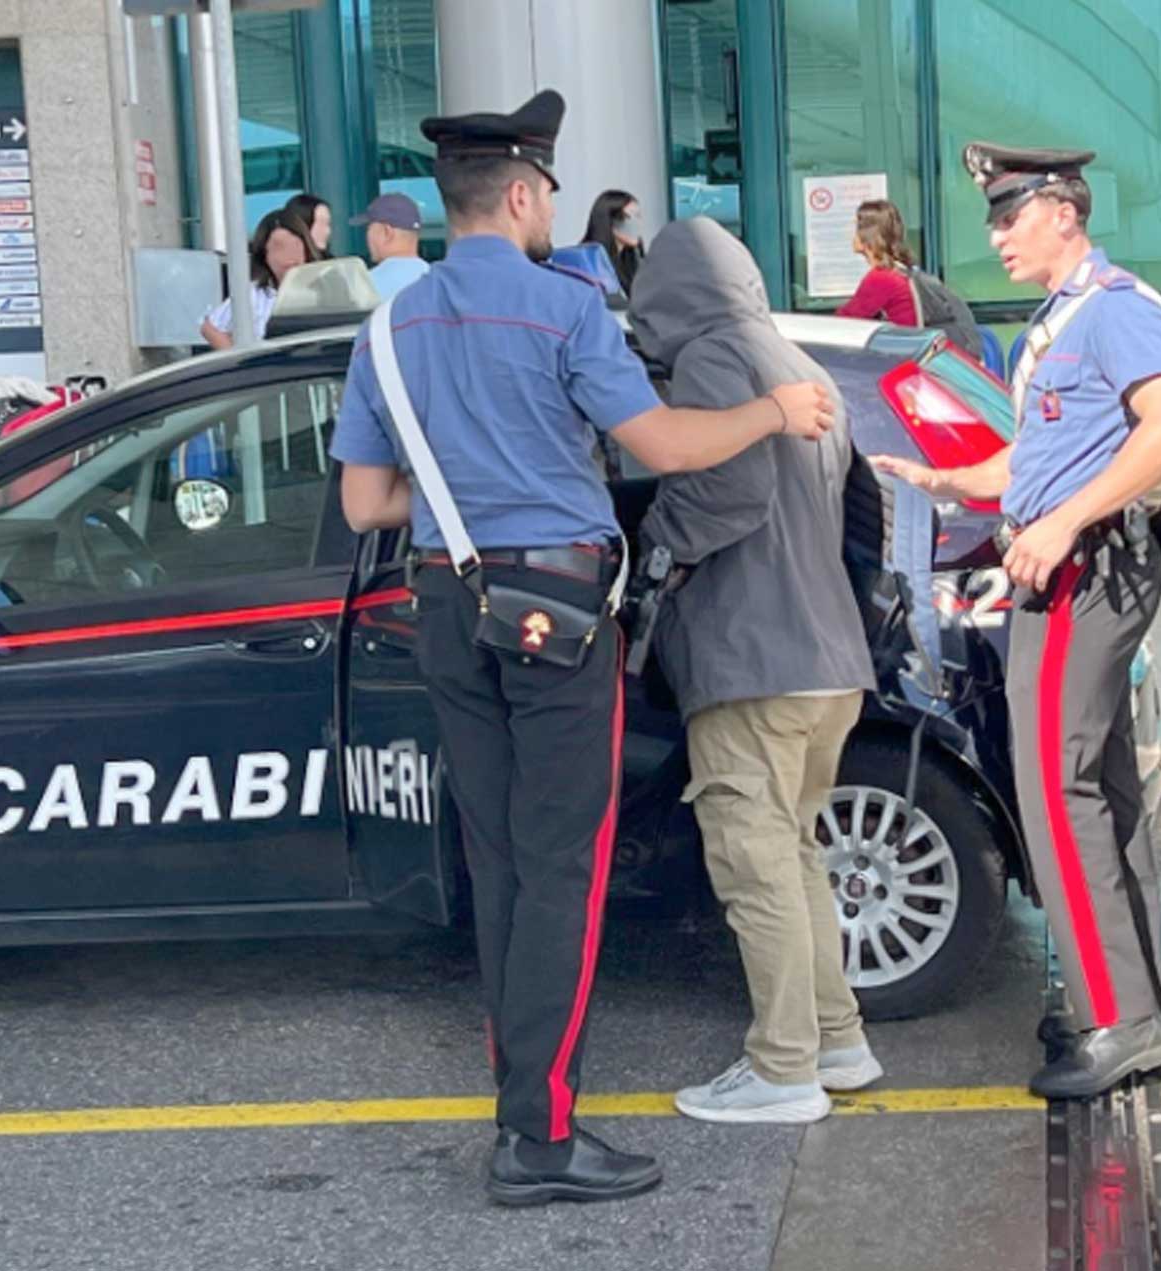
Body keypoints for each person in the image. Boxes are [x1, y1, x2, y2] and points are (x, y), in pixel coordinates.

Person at [333, 89, 835, 1206]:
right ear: (519, 192)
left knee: (502, 858)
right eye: (548, 190)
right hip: (554, 615)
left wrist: (463, 477)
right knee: (567, 866)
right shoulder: (563, 310)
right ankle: (538, 1135)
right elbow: (657, 441)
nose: (551, 207)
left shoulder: (385, 329)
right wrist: (768, 411)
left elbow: (368, 500)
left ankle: (523, 1100)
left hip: (444, 605)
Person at [868, 143, 1161, 1100]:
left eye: (1010, 216)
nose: (996, 236)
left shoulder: (1115, 309)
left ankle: (1119, 1018)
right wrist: (939, 479)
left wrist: (1061, 522)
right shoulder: (1057, 325)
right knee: (1099, 792)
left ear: (1062, 210)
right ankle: (1128, 998)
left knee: (1058, 792)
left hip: (1086, 574)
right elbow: (1031, 462)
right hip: (1066, 566)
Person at [629, 217, 882, 1125]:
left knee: (753, 861)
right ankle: (838, 1036)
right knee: (795, 849)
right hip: (829, 657)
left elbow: (728, 489)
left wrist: (655, 546)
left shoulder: (708, 361)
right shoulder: (802, 363)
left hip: (751, 654)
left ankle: (782, 1068)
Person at [199, 208, 319, 349]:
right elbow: (211, 328)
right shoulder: (255, 295)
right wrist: (239, 361)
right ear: (264, 254)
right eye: (280, 247)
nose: (289, 256)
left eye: (295, 246)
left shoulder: (325, 289)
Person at [836, 199, 917, 326]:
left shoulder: (882, 278)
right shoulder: (901, 271)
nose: (850, 234)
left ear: (868, 235)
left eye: (856, 228)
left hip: (904, 344)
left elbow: (845, 322)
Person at [348, 193, 429, 299]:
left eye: (369, 228)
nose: (367, 236)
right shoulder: (439, 283)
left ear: (387, 233)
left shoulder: (363, 287)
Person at [580, 190, 645, 296]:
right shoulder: (589, 263)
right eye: (631, 217)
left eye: (639, 216)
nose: (638, 225)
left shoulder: (631, 262)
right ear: (609, 221)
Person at [284, 193, 334, 257]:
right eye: (320, 224)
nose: (328, 232)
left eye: (328, 224)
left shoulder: (332, 264)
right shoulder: (282, 263)